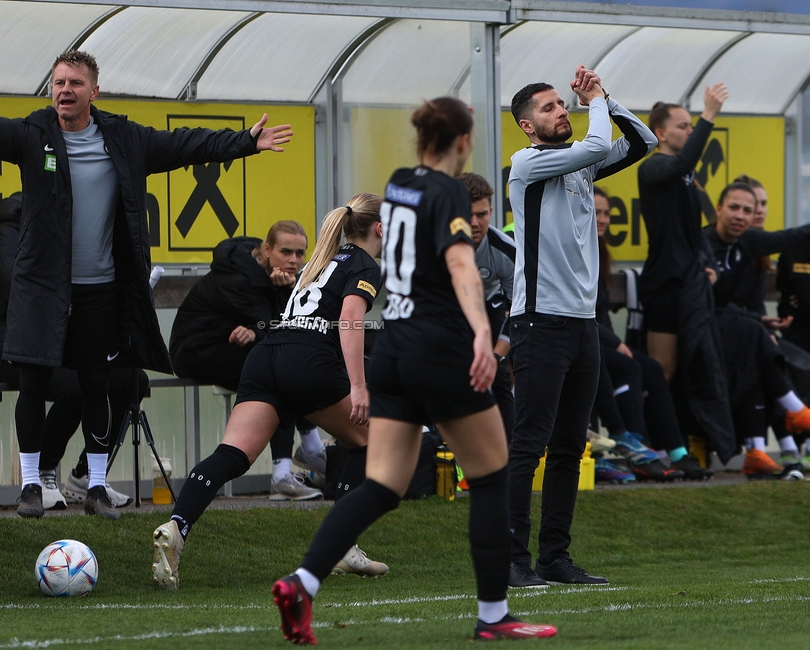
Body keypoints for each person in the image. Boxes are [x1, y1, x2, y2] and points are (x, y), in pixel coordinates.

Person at [0, 50, 293, 519]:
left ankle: (96, 487)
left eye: (75, 83)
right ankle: (32, 485)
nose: (65, 90)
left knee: (98, 383)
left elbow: (184, 146)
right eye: (58, 82)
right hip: (42, 288)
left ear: (93, 92)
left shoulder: (124, 138)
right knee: (34, 382)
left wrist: (243, 142)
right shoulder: (32, 135)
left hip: (100, 288)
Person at [272, 97, 557, 645]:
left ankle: (303, 581)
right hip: (440, 347)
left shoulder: (400, 182)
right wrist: (480, 330)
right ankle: (494, 615)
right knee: (494, 476)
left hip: (396, 351)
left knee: (383, 484)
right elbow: (458, 263)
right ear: (466, 142)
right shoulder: (449, 191)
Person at [152, 192, 388, 591]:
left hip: (267, 356)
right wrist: (359, 386)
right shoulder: (365, 264)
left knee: (232, 454)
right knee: (370, 438)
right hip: (308, 360)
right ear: (381, 228)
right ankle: (344, 547)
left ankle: (177, 527)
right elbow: (349, 319)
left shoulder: (320, 259)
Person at [505, 66, 656, 589]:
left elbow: (644, 140)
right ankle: (512, 559)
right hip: (538, 321)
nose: (560, 110)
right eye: (548, 108)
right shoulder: (527, 163)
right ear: (526, 126)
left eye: (560, 103)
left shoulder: (580, 166)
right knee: (528, 444)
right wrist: (593, 102)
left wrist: (606, 98)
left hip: (581, 326)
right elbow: (595, 147)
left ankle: (555, 559)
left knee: (571, 446)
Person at [0, 193, 147, 510]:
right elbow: (22, 293)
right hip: (6, 346)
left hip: (54, 342)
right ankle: (41, 475)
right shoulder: (6, 234)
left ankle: (89, 477)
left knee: (129, 378)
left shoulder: (60, 235)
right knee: (78, 385)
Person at [169, 222, 327, 500]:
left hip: (231, 344)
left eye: (300, 254)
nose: (293, 260)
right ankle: (293, 466)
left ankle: (303, 457)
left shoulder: (261, 268)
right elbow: (284, 327)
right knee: (279, 370)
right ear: (266, 250)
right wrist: (280, 296)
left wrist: (256, 330)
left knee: (287, 362)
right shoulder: (240, 278)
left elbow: (282, 326)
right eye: (286, 251)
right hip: (197, 351)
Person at [636, 86, 738, 466]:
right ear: (661, 133)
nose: (689, 130)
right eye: (683, 126)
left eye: (692, 125)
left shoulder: (685, 177)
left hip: (689, 281)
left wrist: (706, 265)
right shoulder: (654, 167)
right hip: (663, 283)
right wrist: (710, 116)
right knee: (664, 369)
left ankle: (685, 445)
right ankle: (661, 446)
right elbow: (679, 165)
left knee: (693, 366)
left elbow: (696, 229)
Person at [593, 187, 708, 480]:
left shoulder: (599, 250)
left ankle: (677, 452)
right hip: (582, 341)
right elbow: (580, 313)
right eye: (596, 212)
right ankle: (639, 451)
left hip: (601, 340)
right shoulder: (576, 250)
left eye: (606, 213)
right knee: (628, 367)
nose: (603, 219)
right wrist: (615, 342)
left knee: (653, 369)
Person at [702, 182, 810, 477]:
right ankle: (796, 414)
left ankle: (758, 451)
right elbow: (705, 305)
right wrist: (756, 322)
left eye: (748, 210)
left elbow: (791, 237)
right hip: (701, 336)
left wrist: (761, 320)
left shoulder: (748, 244)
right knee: (755, 337)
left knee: (757, 353)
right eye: (734, 208)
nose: (740, 215)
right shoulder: (702, 243)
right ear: (719, 209)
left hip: (737, 336)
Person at [460, 172, 516, 435]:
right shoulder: (431, 245)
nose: (474, 223)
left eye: (481, 215)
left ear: (491, 212)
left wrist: (495, 357)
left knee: (500, 379)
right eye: (466, 215)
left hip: (489, 309)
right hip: (446, 315)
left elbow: (519, 309)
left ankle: (511, 455)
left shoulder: (504, 249)